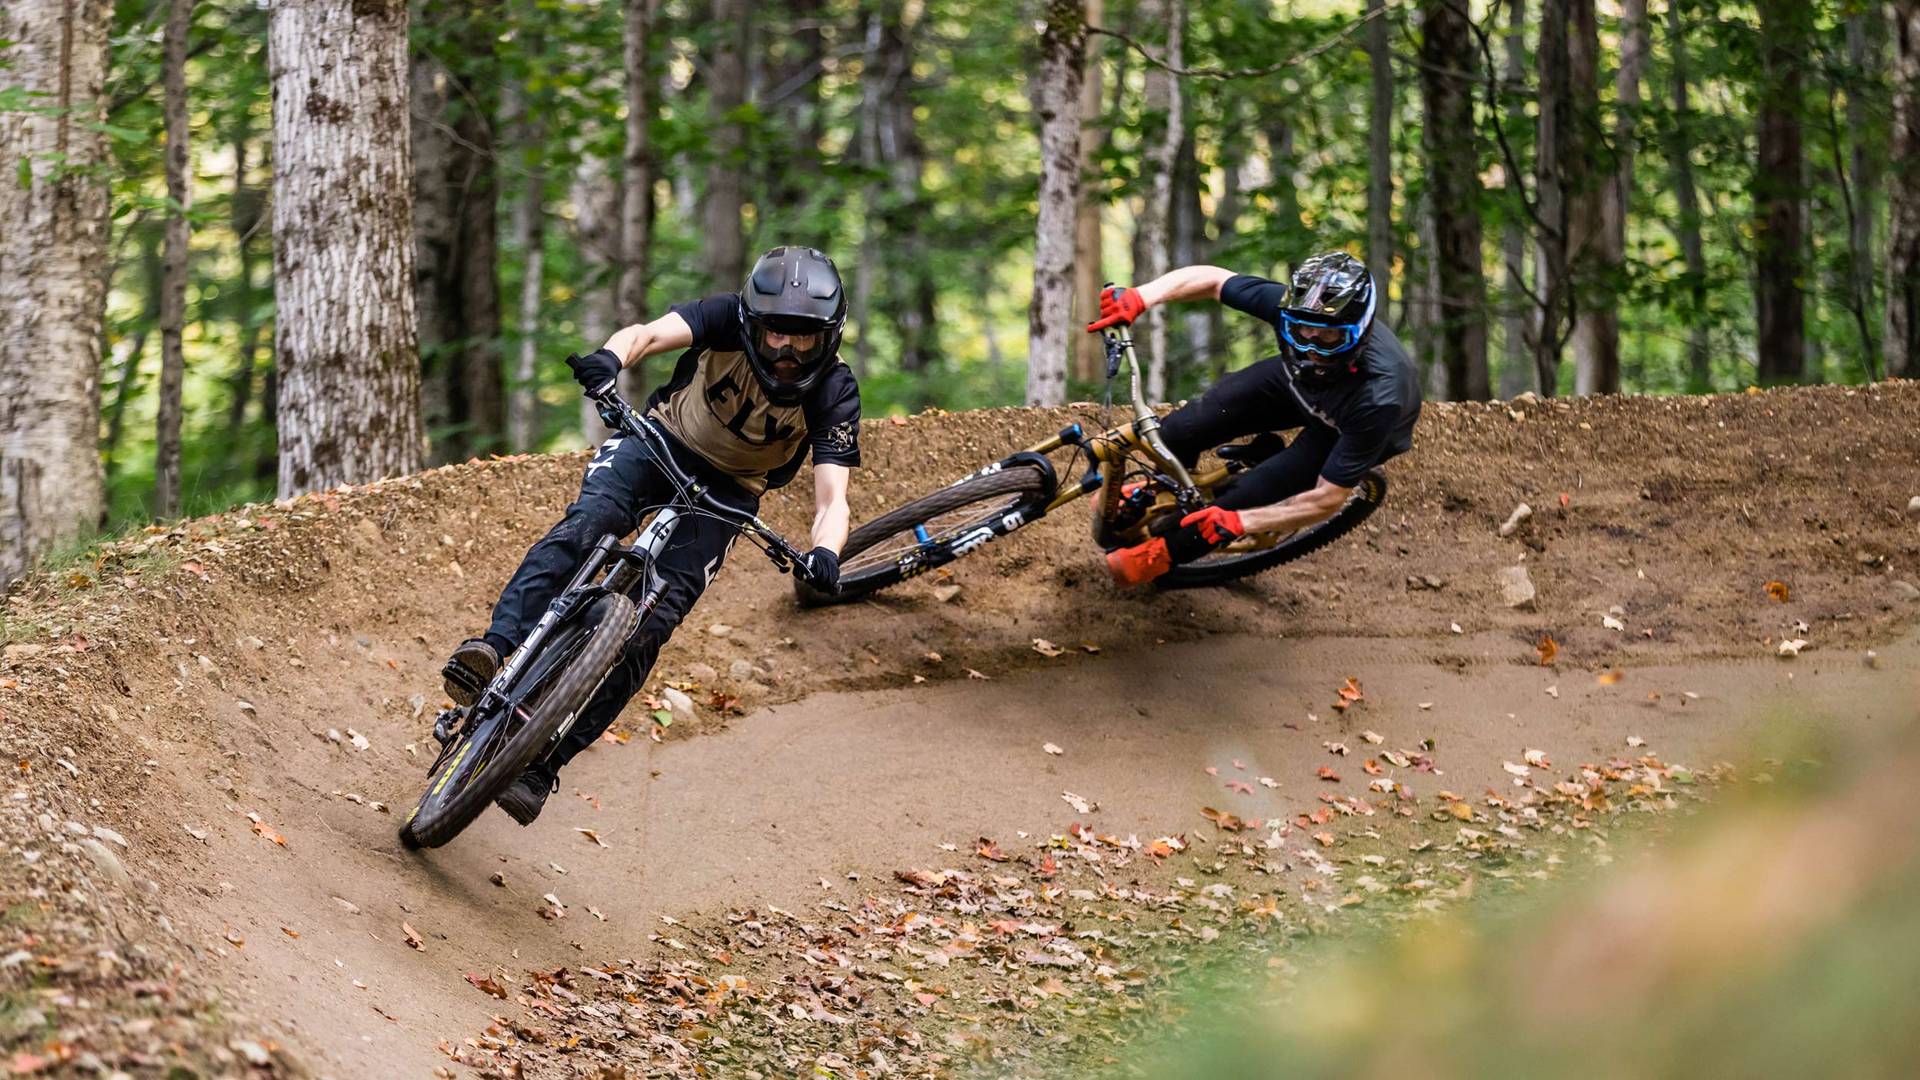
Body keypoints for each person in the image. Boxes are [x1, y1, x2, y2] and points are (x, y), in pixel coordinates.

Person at [441, 246, 862, 825]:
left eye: (803, 337)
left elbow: (832, 497)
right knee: (589, 527)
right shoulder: (721, 316)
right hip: (657, 441)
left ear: (829, 335)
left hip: (731, 493)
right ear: (751, 323)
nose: (787, 350)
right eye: (774, 334)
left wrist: (825, 553)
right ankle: (492, 647)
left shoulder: (835, 391)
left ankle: (542, 766)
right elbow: (645, 334)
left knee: (649, 629)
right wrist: (609, 361)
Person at [1085, 251, 1421, 586]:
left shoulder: (1381, 397)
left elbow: (1327, 499)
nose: (1312, 345)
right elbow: (1215, 280)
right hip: (1296, 384)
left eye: (1330, 337)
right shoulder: (1294, 312)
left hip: (1345, 423)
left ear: (1359, 331)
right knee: (1179, 430)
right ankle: (1161, 488)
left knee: (1231, 509)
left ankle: (1165, 555)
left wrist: (1242, 522)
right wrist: (1141, 296)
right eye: (1301, 329)